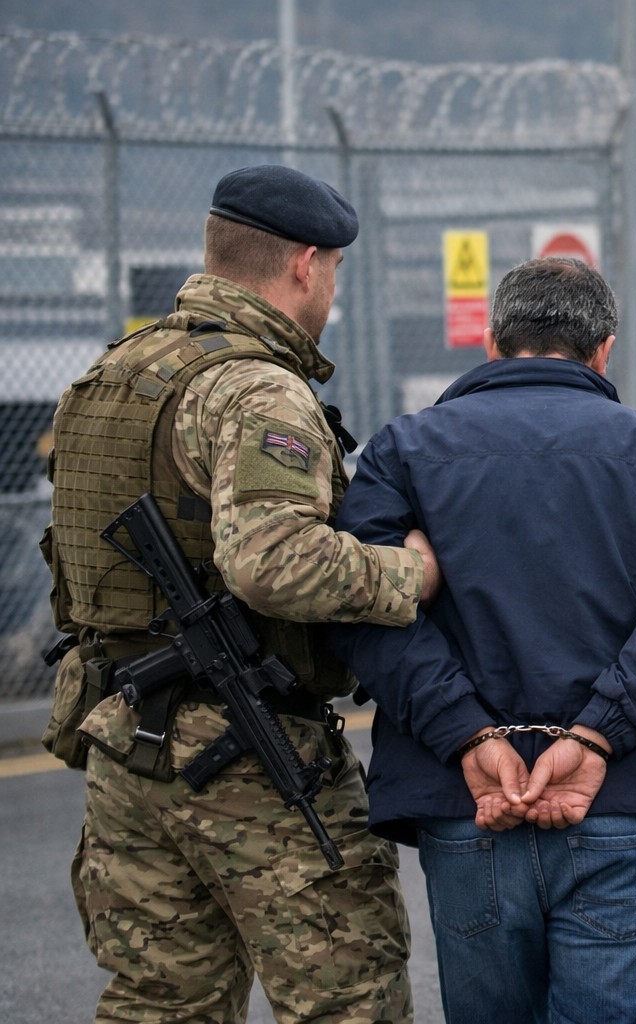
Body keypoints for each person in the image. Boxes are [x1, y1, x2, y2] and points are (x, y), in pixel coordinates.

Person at [41, 165, 431, 1022]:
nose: (332, 289)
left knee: (160, 1004)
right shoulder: (257, 388)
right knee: (345, 1001)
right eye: (333, 271)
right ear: (305, 264)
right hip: (246, 751)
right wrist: (411, 575)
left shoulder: (112, 374)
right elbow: (273, 562)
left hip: (123, 738)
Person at [327, 257, 636, 1024]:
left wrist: (467, 735)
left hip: (470, 804)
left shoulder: (403, 452)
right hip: (627, 805)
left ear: (493, 344)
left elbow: (362, 608)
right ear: (604, 350)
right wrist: (596, 736)